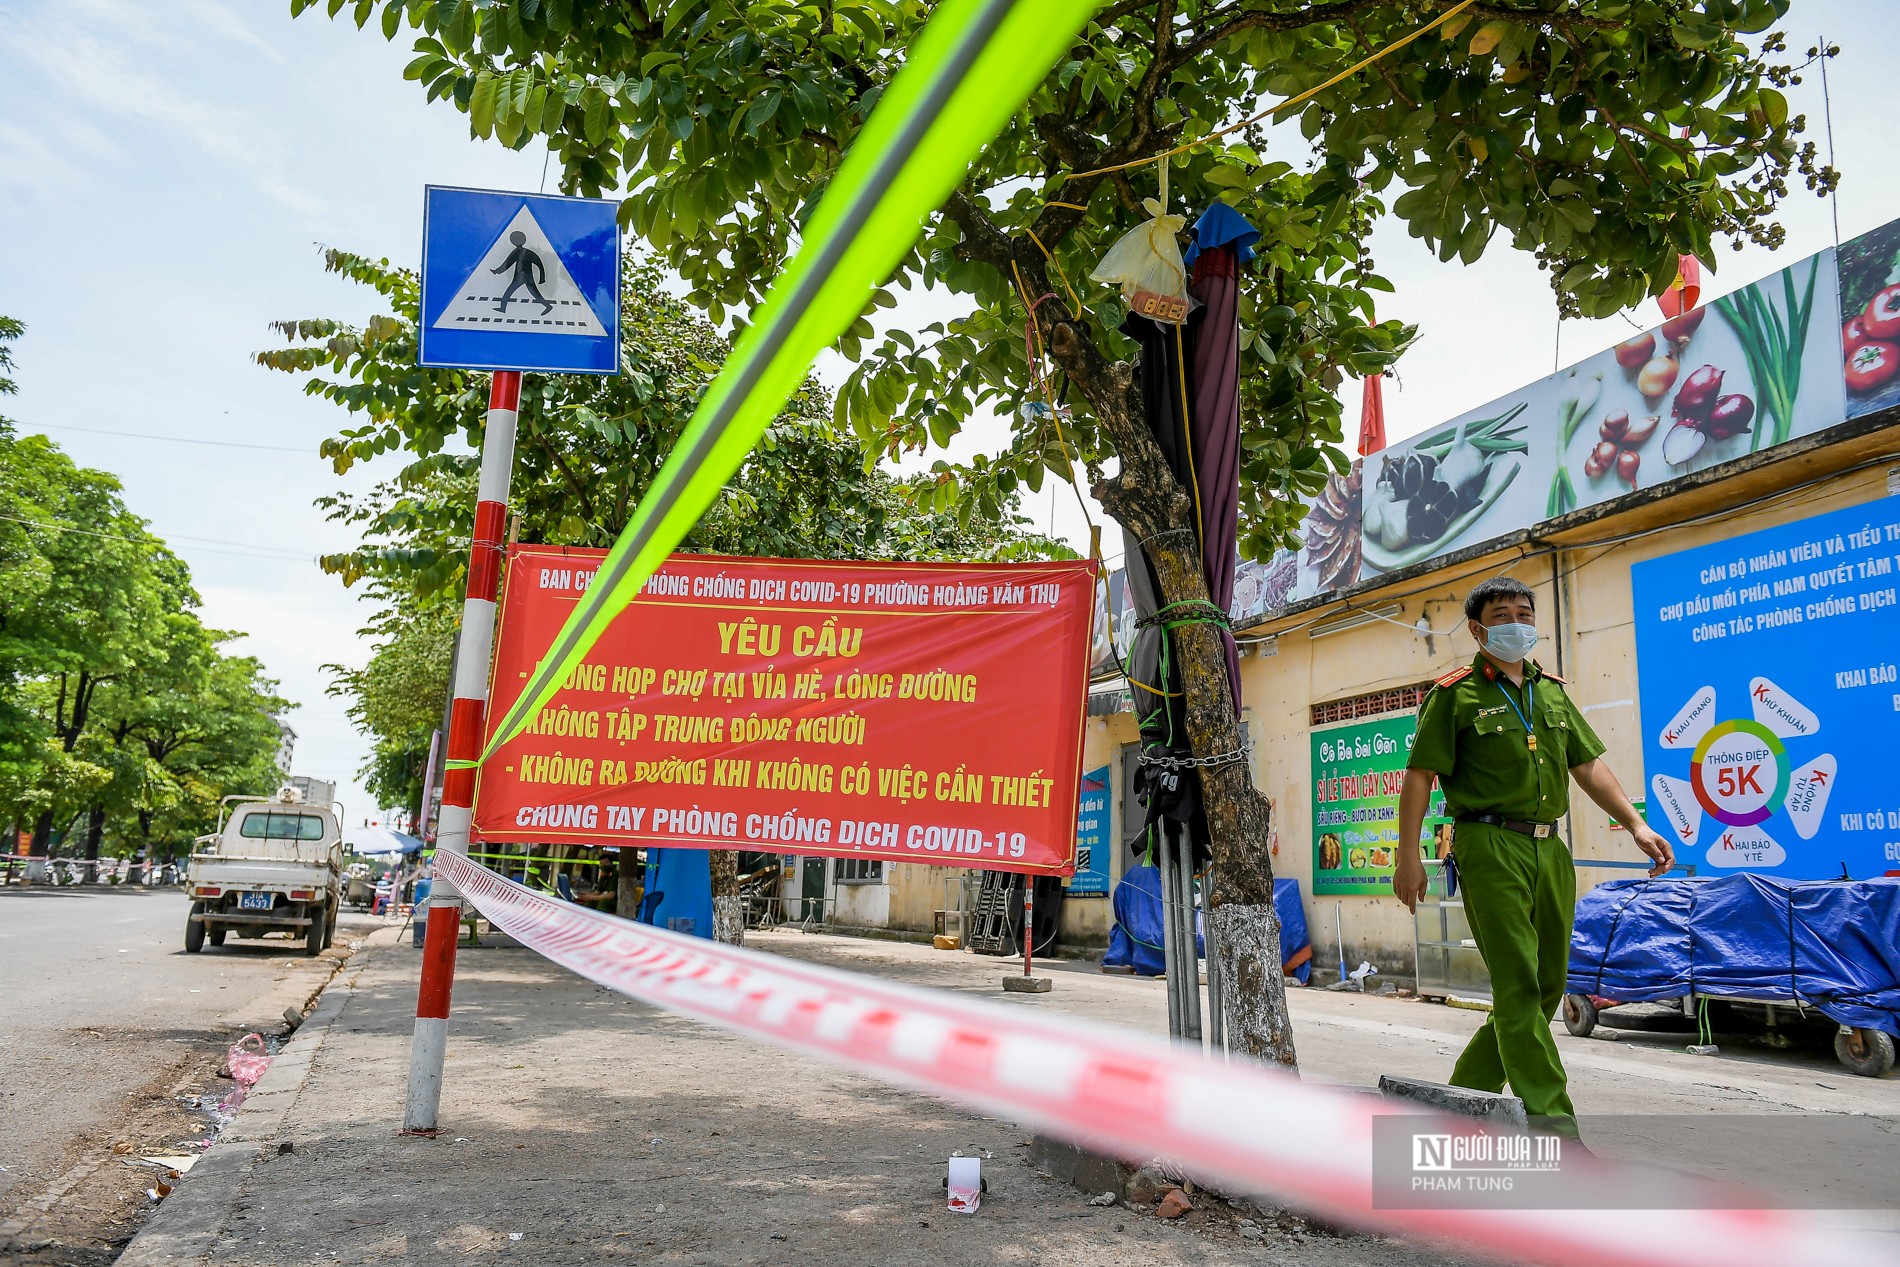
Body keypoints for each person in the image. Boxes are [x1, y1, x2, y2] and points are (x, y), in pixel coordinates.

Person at [1393, 576, 1672, 1138]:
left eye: (1525, 612)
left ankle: (1459, 1104)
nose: (1517, 623)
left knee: (1546, 986)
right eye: (1502, 615)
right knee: (1518, 984)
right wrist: (1408, 857)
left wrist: (1637, 824)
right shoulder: (1455, 694)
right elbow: (1420, 777)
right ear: (1477, 629)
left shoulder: (1551, 692)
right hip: (1489, 843)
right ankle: (1554, 1128)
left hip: (1550, 848)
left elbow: (1587, 764)